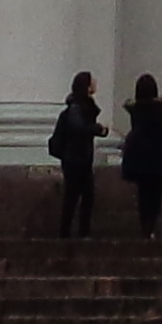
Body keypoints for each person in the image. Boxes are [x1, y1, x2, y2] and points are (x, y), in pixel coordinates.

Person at [42, 74, 102, 240]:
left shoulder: (84, 106)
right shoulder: (77, 108)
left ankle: (77, 231)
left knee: (82, 194)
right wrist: (97, 129)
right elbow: (79, 128)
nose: (95, 83)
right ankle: (69, 232)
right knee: (75, 195)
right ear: (86, 86)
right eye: (92, 81)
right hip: (75, 159)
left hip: (80, 157)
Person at [121, 72, 162, 237]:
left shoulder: (135, 110)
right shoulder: (160, 110)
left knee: (143, 195)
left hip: (138, 157)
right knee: (155, 195)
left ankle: (144, 225)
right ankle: (151, 226)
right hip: (157, 157)